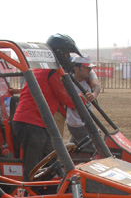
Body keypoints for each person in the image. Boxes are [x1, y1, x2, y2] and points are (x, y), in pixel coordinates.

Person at [11, 34, 80, 179]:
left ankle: (49, 190)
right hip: (31, 124)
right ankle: (29, 196)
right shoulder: (51, 72)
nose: (69, 58)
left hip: (35, 123)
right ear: (59, 53)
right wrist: (83, 99)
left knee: (51, 159)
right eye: (67, 54)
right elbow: (68, 100)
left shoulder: (40, 69)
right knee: (33, 168)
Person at [65, 54, 100, 153]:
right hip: (76, 123)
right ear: (76, 68)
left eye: (90, 68)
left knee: (74, 148)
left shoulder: (90, 74)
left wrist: (94, 94)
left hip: (86, 120)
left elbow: (96, 85)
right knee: (92, 150)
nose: (89, 70)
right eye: (86, 67)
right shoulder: (68, 81)